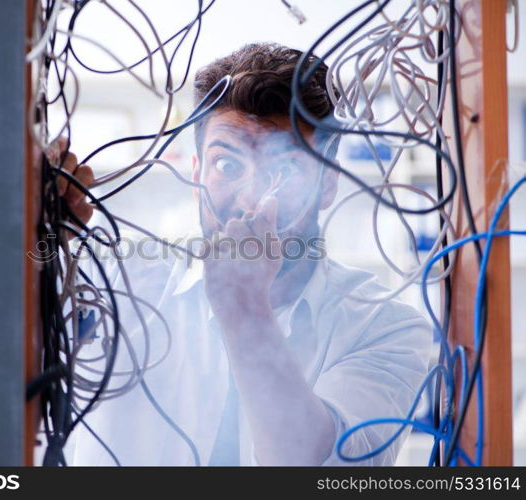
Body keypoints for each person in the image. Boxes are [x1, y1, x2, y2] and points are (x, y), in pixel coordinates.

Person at [51, 42, 432, 466]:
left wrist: (245, 311)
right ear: (196, 175)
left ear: (327, 184)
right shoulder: (114, 287)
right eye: (228, 166)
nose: (251, 198)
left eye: (285, 170)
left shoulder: (386, 330)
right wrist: (31, 237)